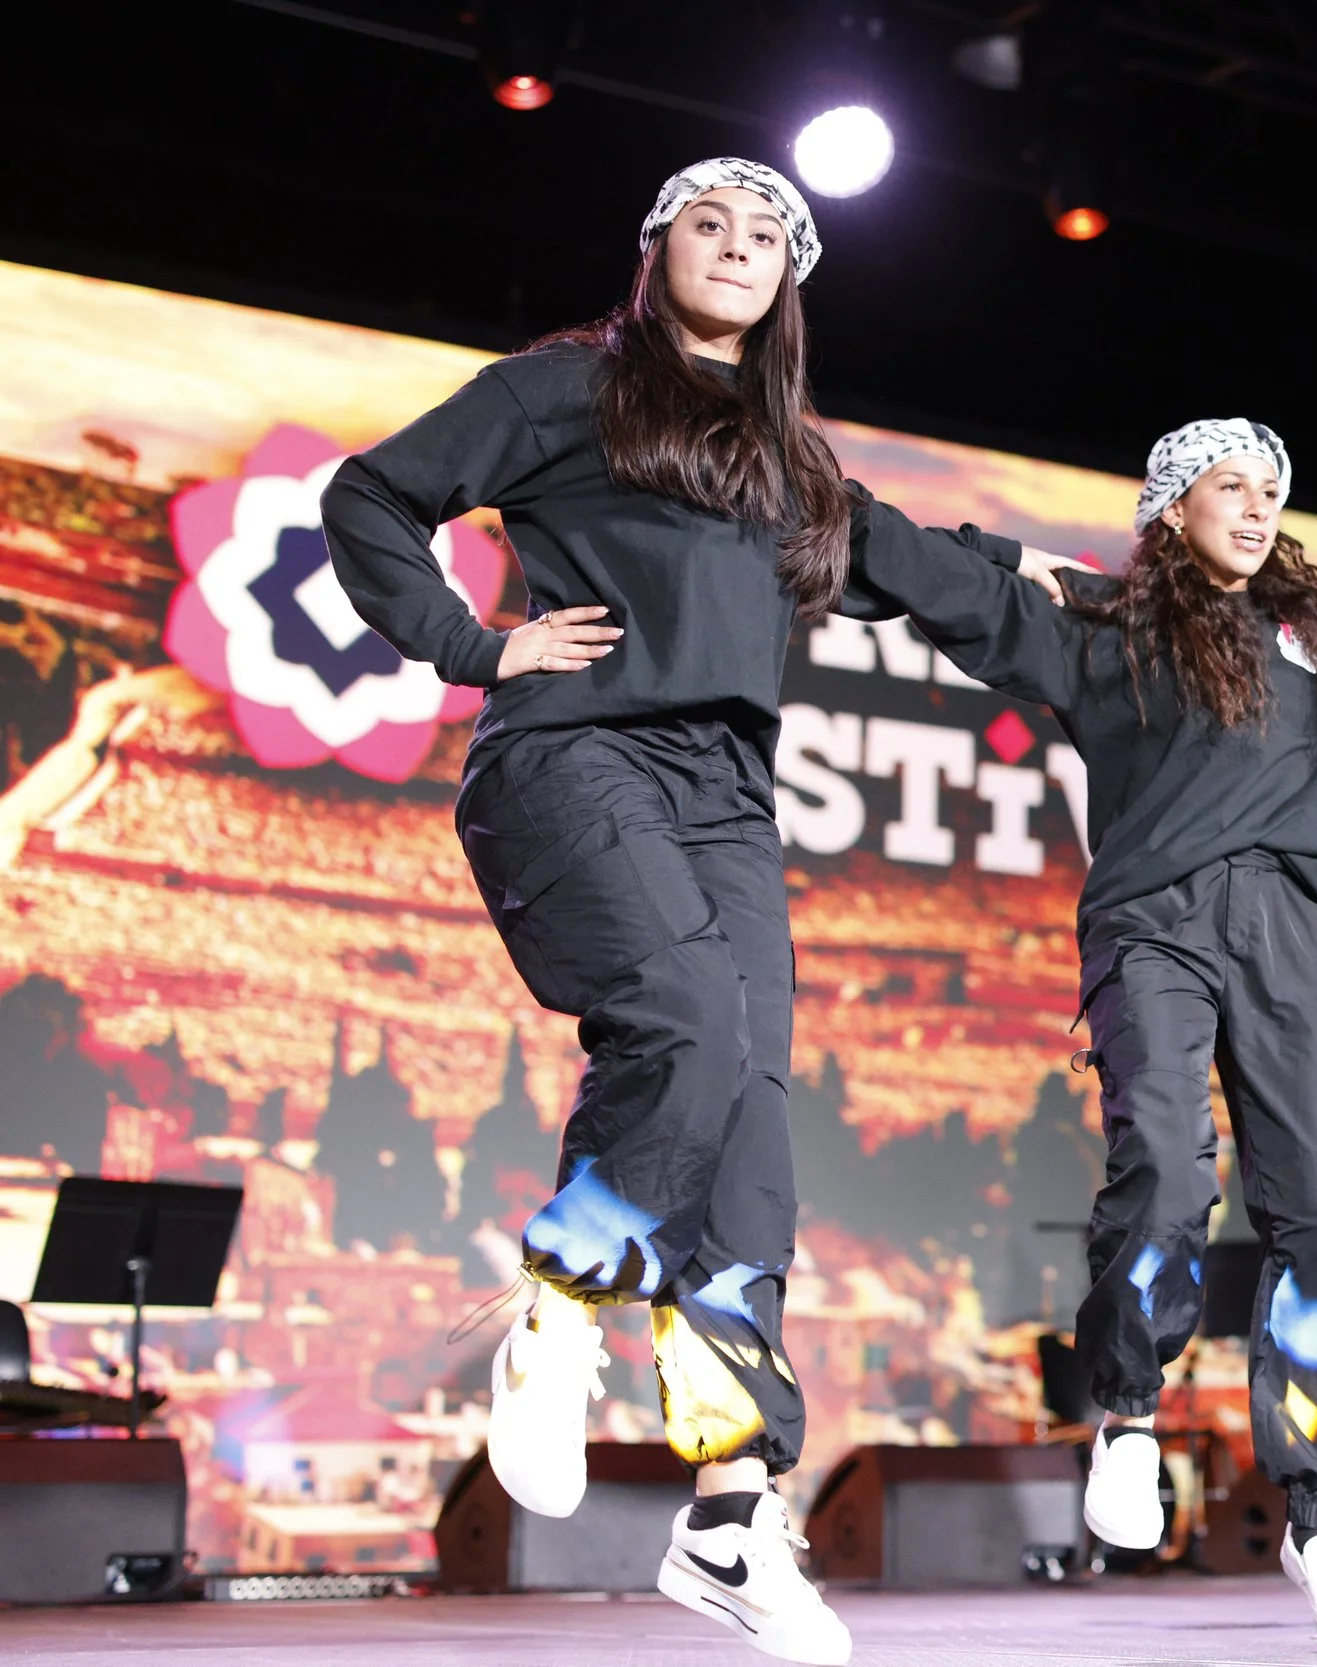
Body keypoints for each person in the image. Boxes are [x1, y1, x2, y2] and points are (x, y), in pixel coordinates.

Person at [322, 157, 1067, 1664]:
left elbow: (933, 569)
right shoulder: (567, 391)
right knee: (687, 1024)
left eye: (766, 237)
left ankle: (731, 1510)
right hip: (576, 753)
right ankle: (559, 1297)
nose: (736, 248)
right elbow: (370, 495)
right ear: (657, 252)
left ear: (790, 283)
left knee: (747, 1125)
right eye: (707, 225)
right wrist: (475, 645)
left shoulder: (790, 461)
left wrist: (1096, 600)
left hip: (725, 791)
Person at [847, 420, 1317, 1648]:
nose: (1254, 506)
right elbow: (930, 573)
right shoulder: (1107, 626)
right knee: (1173, 1171)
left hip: (1287, 938)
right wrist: (996, 549)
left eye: (1270, 490)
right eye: (1227, 485)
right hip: (1155, 925)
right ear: (1171, 505)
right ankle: (1127, 1411)